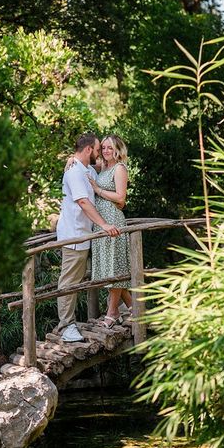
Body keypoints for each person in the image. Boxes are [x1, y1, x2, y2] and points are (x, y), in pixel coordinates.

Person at [56, 133, 120, 343]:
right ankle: (66, 326)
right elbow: (83, 202)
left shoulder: (87, 169)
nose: (100, 152)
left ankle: (130, 307)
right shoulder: (75, 173)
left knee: (80, 279)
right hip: (73, 236)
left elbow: (108, 168)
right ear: (88, 150)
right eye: (97, 148)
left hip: (84, 236)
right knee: (69, 282)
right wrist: (104, 224)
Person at [89, 134, 132, 327]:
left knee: (114, 267)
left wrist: (97, 190)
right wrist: (72, 158)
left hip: (112, 221)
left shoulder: (119, 168)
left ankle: (112, 312)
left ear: (117, 149)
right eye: (103, 147)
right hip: (100, 222)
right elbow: (86, 162)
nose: (106, 151)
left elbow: (121, 198)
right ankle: (134, 308)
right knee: (108, 268)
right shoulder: (103, 166)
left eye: (109, 148)